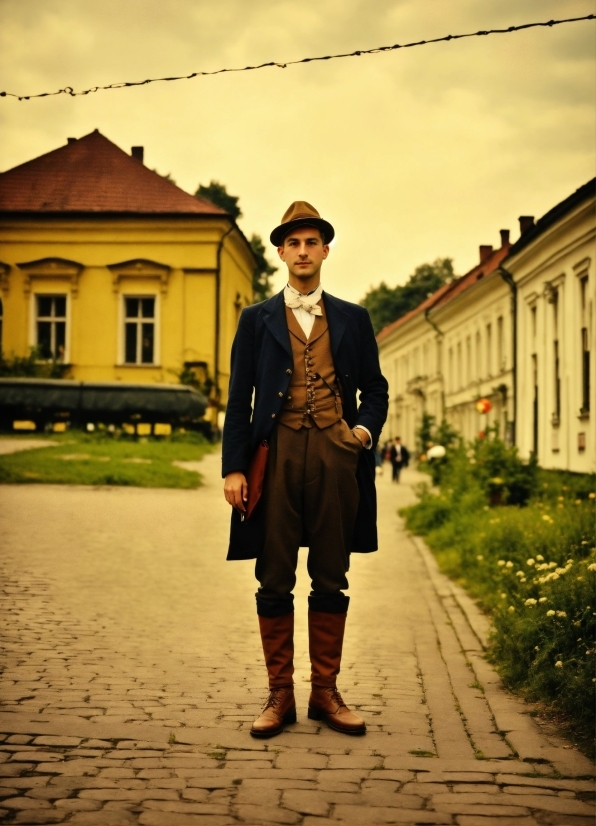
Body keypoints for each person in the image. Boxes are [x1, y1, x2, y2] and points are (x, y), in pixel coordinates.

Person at [222, 201, 388, 739]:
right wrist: (234, 468)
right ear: (280, 252)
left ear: (324, 250)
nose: (301, 251)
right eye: (292, 243)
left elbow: (376, 391)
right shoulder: (257, 319)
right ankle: (279, 696)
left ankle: (325, 693)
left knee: (331, 573)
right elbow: (239, 400)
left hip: (336, 457)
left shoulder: (353, 318)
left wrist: (360, 434)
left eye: (311, 242)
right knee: (273, 573)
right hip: (277, 454)